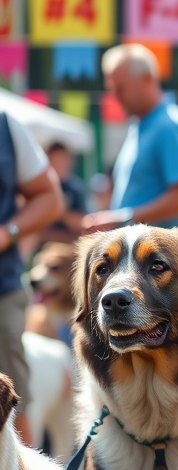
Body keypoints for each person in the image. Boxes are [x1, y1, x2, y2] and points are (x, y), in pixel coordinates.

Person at [83, 44, 178, 233]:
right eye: (112, 89)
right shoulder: (142, 126)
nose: (115, 97)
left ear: (146, 79)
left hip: (159, 258)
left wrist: (124, 218)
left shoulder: (168, 125)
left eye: (121, 88)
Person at [0, 113, 64, 445]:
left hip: (2, 289)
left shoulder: (6, 128)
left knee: (13, 398)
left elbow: (50, 196)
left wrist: (7, 232)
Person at [30, 142, 88, 246]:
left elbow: (83, 223)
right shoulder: (39, 186)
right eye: (57, 160)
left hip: (69, 245)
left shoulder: (75, 188)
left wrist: (58, 211)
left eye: (64, 160)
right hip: (43, 246)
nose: (62, 164)